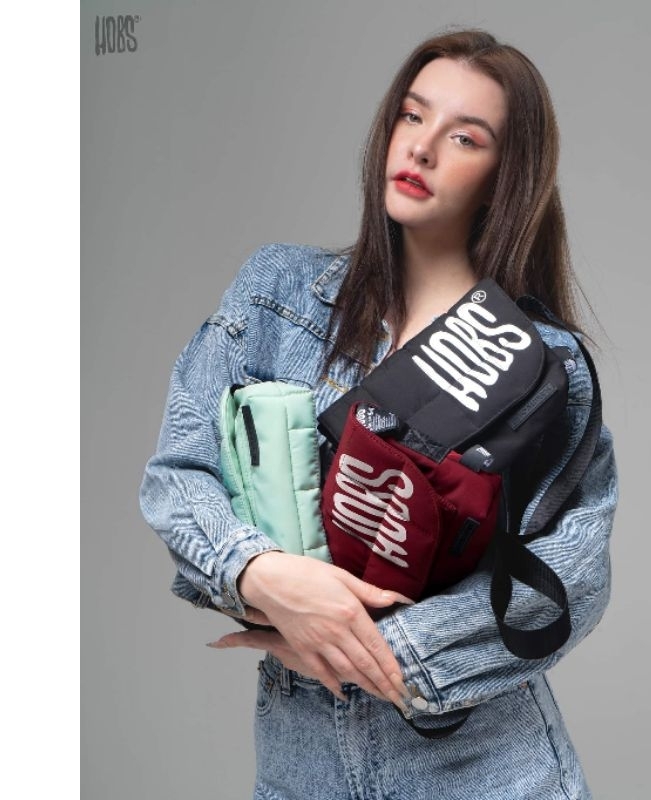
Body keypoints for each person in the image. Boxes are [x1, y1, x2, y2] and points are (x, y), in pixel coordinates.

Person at [140, 28, 618, 800]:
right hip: (301, 769)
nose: (422, 147)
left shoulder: (542, 361)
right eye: (411, 116)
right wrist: (262, 575)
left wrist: (366, 647)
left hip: (489, 772)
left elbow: (573, 576)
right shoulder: (277, 295)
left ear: (504, 179)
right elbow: (177, 477)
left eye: (464, 137)